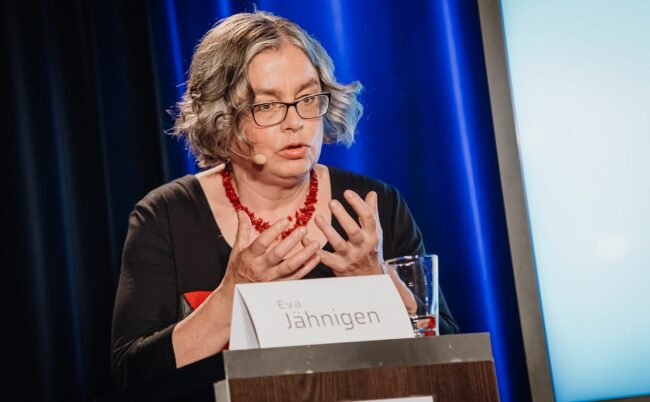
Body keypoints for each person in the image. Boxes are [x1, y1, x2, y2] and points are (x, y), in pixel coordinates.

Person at [111, 11, 459, 388]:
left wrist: (377, 287)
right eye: (267, 105)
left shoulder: (373, 207)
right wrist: (231, 298)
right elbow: (132, 373)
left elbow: (453, 360)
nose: (295, 122)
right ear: (221, 118)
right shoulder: (165, 216)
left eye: (308, 98)